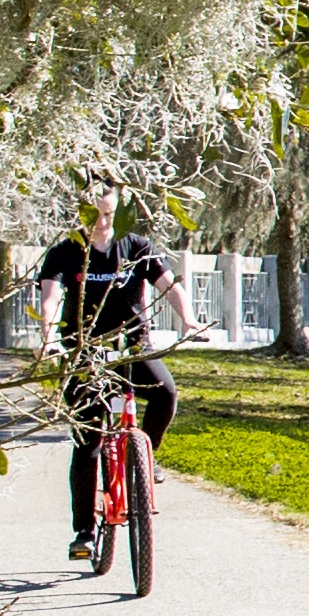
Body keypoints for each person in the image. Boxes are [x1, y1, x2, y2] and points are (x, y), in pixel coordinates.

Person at [35, 190, 200, 571]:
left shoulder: (137, 246)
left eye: (109, 214)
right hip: (84, 352)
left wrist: (187, 318)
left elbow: (170, 285)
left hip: (131, 347)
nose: (102, 223)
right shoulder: (64, 252)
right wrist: (47, 338)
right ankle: (85, 532)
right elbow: (50, 297)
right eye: (94, 215)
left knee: (166, 394)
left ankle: (144, 457)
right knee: (88, 441)